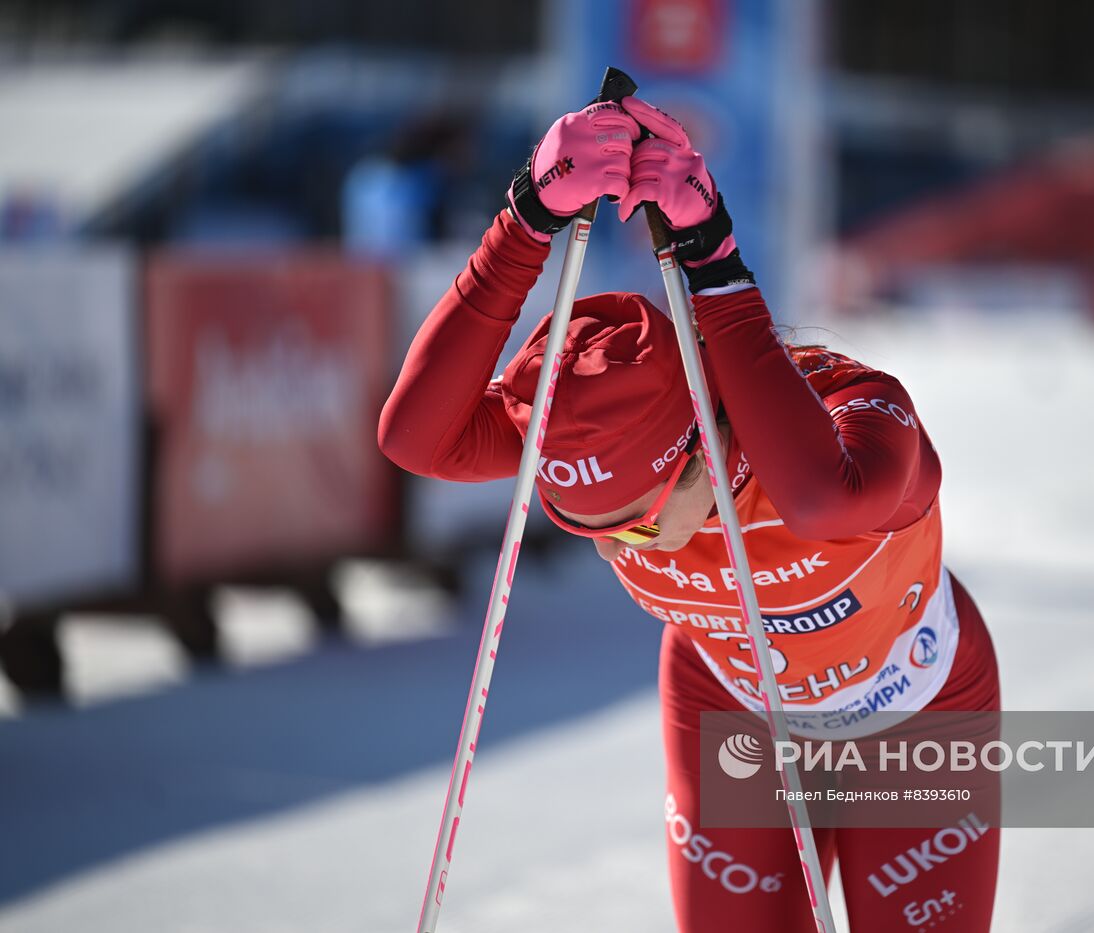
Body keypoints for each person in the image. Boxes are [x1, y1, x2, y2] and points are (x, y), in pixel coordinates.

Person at [379, 95, 1001, 932]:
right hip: (731, 709)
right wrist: (526, 218)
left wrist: (711, 255)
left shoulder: (846, 415)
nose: (616, 550)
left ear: (701, 451)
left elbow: (824, 500)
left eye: (632, 523)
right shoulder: (588, 442)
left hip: (913, 708)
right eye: (582, 527)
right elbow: (415, 438)